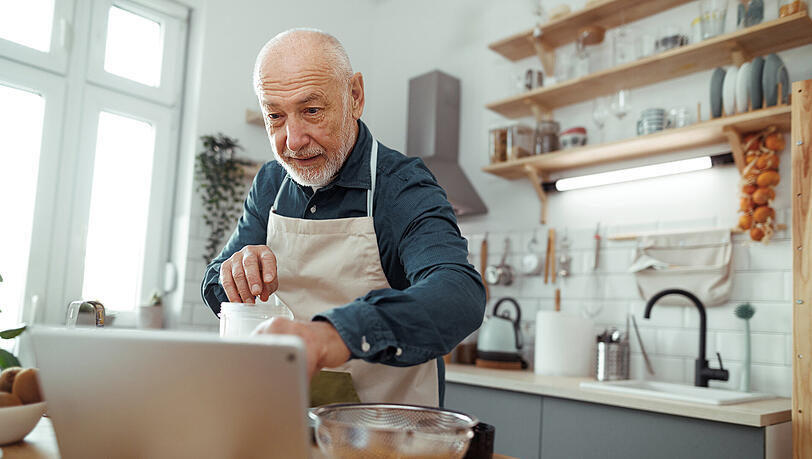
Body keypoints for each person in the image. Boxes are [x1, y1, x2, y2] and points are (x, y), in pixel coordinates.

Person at [201, 28, 485, 406]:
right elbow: (217, 279)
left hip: (385, 430)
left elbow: (459, 293)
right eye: (275, 116)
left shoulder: (401, 187)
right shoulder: (270, 183)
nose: (293, 139)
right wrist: (235, 273)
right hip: (283, 417)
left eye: (311, 111)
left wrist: (332, 336)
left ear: (355, 96)